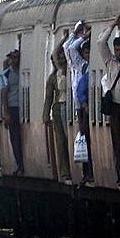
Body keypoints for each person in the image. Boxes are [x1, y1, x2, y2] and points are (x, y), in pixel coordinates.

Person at [98, 16, 120, 191]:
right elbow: (101, 42)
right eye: (116, 49)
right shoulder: (110, 63)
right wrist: (113, 25)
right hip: (115, 106)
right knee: (117, 142)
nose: (118, 52)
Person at [67, 25, 94, 186]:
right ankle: (86, 173)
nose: (88, 55)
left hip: (89, 106)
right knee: (84, 141)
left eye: (89, 52)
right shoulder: (82, 66)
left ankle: (89, 172)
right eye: (85, 53)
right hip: (83, 107)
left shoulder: (91, 67)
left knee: (87, 140)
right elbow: (70, 48)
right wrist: (83, 36)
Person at [43, 34, 72, 184]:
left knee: (70, 139)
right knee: (61, 141)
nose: (60, 60)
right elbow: (48, 97)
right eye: (58, 58)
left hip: (71, 107)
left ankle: (74, 168)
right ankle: (65, 171)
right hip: (58, 108)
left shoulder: (72, 71)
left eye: (63, 57)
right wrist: (45, 116)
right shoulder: (54, 77)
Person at [2, 49, 24, 175]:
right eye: (12, 58)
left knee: (18, 137)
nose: (14, 60)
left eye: (15, 58)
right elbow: (4, 93)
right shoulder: (5, 74)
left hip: (20, 106)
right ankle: (19, 164)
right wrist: (6, 113)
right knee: (15, 137)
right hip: (12, 107)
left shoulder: (20, 72)